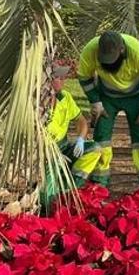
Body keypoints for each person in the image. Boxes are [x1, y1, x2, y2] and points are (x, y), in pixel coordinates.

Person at [76, 31, 139, 187]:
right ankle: (99, 182)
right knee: (101, 136)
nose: (109, 64)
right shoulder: (90, 50)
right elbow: (84, 77)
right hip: (106, 97)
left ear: (122, 50)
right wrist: (95, 101)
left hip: (137, 96)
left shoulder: (137, 51)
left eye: (112, 60)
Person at [41, 59, 112, 211]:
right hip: (45, 153)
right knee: (46, 198)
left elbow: (81, 121)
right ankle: (52, 202)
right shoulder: (39, 102)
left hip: (64, 146)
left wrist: (80, 138)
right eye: (58, 77)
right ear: (47, 80)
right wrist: (51, 153)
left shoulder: (65, 97)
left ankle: (70, 189)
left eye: (63, 77)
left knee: (95, 149)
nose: (63, 81)